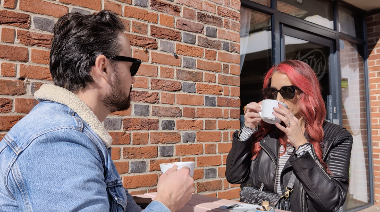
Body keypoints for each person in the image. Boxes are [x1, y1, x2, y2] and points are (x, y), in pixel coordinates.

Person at [0, 10, 194, 212]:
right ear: (103, 68)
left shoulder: (78, 137)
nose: (134, 79)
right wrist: (166, 203)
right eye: (131, 67)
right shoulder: (58, 143)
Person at [226, 60, 353, 212]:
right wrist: (248, 129)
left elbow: (332, 201)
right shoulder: (267, 134)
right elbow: (234, 177)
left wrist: (301, 144)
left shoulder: (336, 137)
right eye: (272, 93)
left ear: (307, 94)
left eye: (287, 91)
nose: (278, 100)